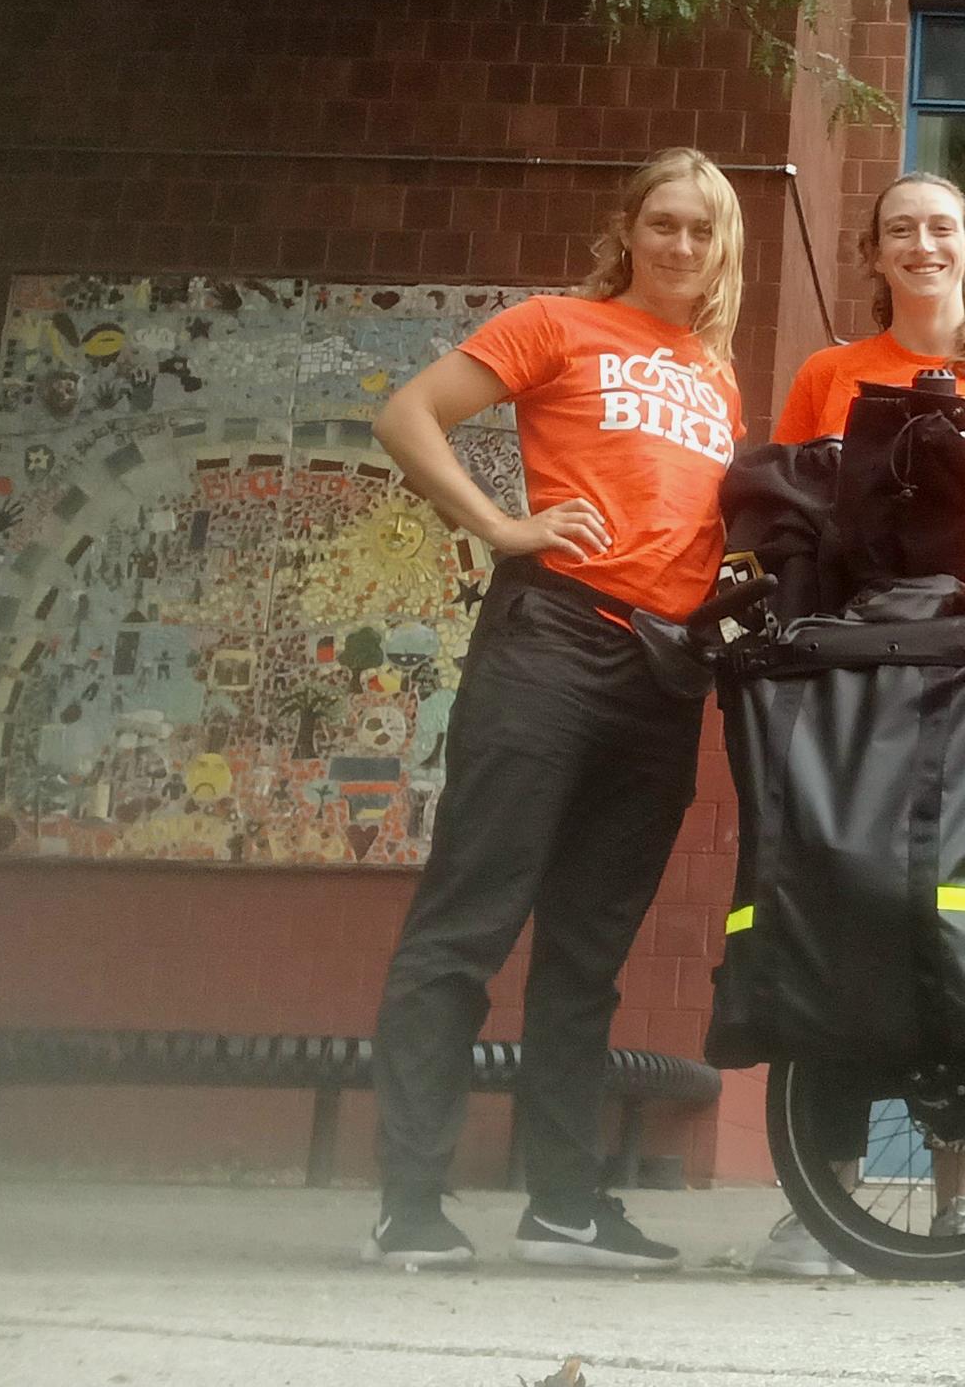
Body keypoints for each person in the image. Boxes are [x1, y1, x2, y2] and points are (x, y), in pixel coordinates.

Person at [363, 147, 746, 1272]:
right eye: (664, 223)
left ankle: (566, 1207)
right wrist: (501, 524)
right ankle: (411, 1202)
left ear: (724, 249)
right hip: (553, 640)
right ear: (629, 230)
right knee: (469, 921)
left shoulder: (715, 378)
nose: (681, 245)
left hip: (665, 674)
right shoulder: (558, 323)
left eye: (702, 230)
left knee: (589, 951)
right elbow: (408, 414)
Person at [749, 169, 965, 1279]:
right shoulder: (828, 375)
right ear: (876, 252)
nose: (923, 244)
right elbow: (792, 523)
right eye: (902, 230)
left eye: (942, 228)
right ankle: (826, 1201)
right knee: (848, 909)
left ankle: (960, 1200)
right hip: (859, 668)